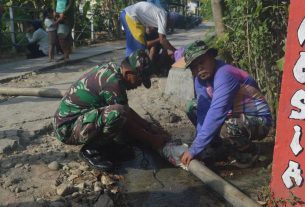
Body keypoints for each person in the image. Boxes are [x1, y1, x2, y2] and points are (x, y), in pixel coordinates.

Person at [53, 49, 169, 171]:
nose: (138, 85)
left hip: (77, 121)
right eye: (139, 80)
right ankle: (91, 150)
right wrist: (153, 140)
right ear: (129, 72)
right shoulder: (113, 83)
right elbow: (125, 119)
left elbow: (127, 110)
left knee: (121, 114)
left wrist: (149, 126)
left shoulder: (113, 70)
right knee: (117, 114)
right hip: (67, 128)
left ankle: (106, 144)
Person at [180, 40, 273, 168]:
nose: (199, 68)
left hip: (258, 120)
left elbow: (217, 112)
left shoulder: (225, 74)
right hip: (233, 114)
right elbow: (203, 112)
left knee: (229, 125)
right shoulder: (200, 80)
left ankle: (249, 152)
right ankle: (218, 146)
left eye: (202, 62)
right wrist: (198, 146)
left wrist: (194, 149)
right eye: (194, 67)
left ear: (212, 57)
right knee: (193, 107)